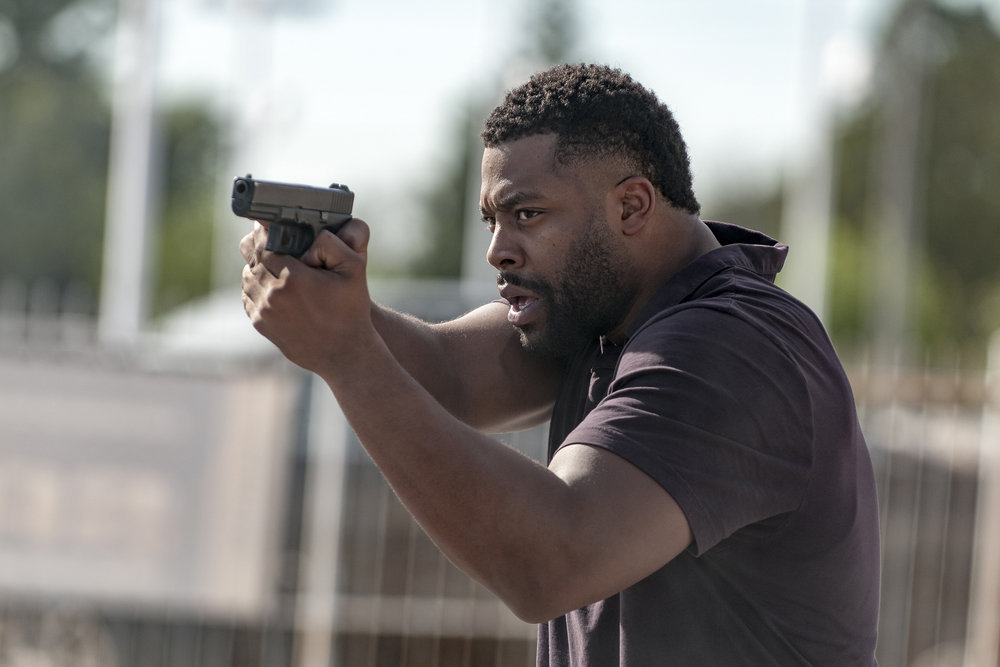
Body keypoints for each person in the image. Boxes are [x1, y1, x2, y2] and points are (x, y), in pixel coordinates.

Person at [240, 64, 880, 665]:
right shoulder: (605, 311)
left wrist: (346, 353)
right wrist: (327, 294)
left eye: (527, 214)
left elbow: (550, 561)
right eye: (492, 221)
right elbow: (444, 373)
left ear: (631, 207)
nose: (497, 250)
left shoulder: (732, 347)